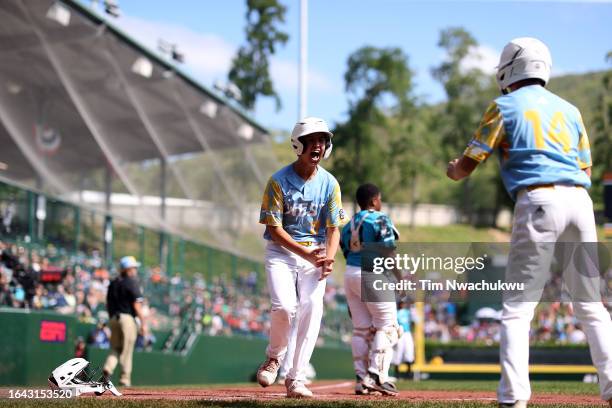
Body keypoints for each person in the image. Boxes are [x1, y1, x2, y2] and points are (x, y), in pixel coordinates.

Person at [446, 37, 612, 408]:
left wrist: (453, 169)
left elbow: (470, 162)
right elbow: (586, 166)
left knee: (519, 308)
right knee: (590, 305)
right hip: (581, 203)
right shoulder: (570, 110)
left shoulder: (503, 106)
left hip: (538, 200)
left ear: (509, 69)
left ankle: (514, 397)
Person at [256, 117, 343, 398]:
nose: (318, 145)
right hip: (281, 252)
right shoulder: (278, 181)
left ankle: (296, 378)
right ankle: (274, 357)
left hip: (315, 255)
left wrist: (328, 258)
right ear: (299, 144)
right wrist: (306, 252)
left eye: (322, 140)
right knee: (284, 307)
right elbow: (274, 229)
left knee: (312, 308)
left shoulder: (330, 184)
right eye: (312, 140)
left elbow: (334, 229)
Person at [340, 183, 400, 396]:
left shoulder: (348, 224)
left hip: (351, 274)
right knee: (388, 326)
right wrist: (401, 278)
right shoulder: (380, 218)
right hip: (372, 273)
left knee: (361, 329)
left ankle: (361, 379)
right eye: (380, 198)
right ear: (374, 200)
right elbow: (388, 251)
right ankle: (376, 376)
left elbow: (347, 253)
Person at [102, 256, 147, 387]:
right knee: (127, 350)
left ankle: (108, 368)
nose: (135, 270)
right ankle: (125, 379)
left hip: (113, 319)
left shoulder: (113, 282)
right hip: (127, 319)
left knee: (115, 348)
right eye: (133, 267)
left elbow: (108, 304)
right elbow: (137, 305)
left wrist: (111, 318)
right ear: (128, 269)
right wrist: (143, 323)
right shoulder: (131, 282)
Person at [392, 298, 415, 379]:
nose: (402, 304)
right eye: (401, 303)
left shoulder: (408, 312)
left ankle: (409, 373)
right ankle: (397, 373)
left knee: (409, 351)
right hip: (399, 333)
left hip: (407, 333)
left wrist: (413, 307)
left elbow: (415, 320)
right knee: (398, 351)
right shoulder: (396, 313)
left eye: (403, 303)